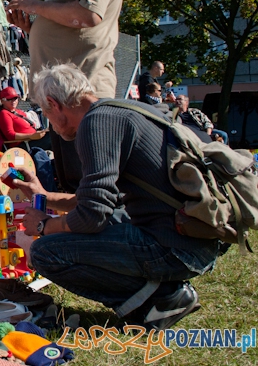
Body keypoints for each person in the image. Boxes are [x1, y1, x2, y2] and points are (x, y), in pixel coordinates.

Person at [13, 64, 218, 331]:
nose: (50, 123)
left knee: (45, 252)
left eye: (47, 114)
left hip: (175, 248)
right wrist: (45, 196)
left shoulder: (95, 124)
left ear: (54, 103)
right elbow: (96, 200)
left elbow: (92, 216)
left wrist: (43, 226)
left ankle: (158, 301)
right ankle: (162, 291)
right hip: (194, 240)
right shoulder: (119, 111)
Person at [5, 0, 125, 192]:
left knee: (88, 191)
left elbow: (88, 15)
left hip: (81, 100)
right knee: (72, 186)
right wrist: (33, 28)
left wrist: (34, 5)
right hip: (65, 103)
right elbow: (73, 28)